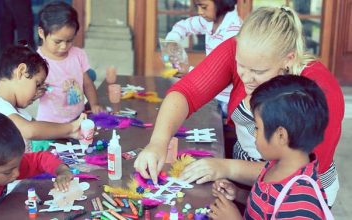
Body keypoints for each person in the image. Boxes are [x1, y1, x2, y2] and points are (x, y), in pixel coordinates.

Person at [134, 6, 344, 206]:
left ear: (288, 60)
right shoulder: (243, 49)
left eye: (258, 71)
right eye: (240, 65)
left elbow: (299, 169)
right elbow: (186, 92)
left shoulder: (320, 92)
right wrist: (158, 143)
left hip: (294, 195)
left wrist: (227, 167)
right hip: (244, 185)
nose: (245, 77)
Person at [210, 75, 331, 219]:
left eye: (257, 127)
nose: (254, 134)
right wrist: (238, 193)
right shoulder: (275, 165)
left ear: (281, 135)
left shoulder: (301, 203)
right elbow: (266, 207)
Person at [0, 112, 73, 215]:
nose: (17, 173)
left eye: (18, 166)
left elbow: (40, 159)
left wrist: (62, 170)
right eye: (8, 172)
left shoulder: (2, 165)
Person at [0, 45, 85, 152]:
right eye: (37, 84)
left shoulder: (15, 111)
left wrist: (69, 132)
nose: (38, 92)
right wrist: (71, 128)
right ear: (21, 72)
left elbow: (42, 128)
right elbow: (31, 130)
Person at [165, 0, 241, 117]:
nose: (200, 12)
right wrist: (172, 41)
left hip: (227, 101)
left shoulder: (234, 31)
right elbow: (183, 26)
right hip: (212, 95)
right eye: (198, 7)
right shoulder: (208, 21)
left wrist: (189, 71)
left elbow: (221, 76)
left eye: (204, 7)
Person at [36, 1, 104, 124]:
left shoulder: (78, 55)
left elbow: (87, 84)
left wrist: (94, 104)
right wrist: (35, 92)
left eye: (69, 40)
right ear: (41, 33)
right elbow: (27, 92)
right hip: (50, 123)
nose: (64, 46)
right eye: (57, 41)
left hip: (78, 118)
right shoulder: (36, 61)